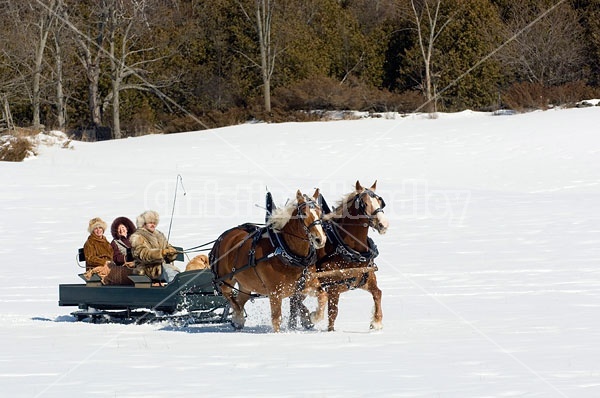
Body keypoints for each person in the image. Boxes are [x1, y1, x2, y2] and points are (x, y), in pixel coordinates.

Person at [130, 210, 180, 283]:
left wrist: (171, 253)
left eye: (154, 223)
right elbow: (143, 254)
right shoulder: (138, 237)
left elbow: (168, 247)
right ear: (144, 224)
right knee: (169, 270)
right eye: (150, 223)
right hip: (147, 269)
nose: (153, 225)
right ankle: (176, 288)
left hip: (162, 267)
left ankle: (179, 286)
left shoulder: (160, 235)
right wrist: (161, 253)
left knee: (172, 270)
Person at [83, 217, 133, 285]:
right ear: (92, 230)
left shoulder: (106, 242)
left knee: (129, 270)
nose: (98, 230)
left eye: (100, 228)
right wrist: (104, 262)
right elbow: (90, 258)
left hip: (110, 267)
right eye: (96, 228)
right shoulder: (90, 243)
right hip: (98, 269)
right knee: (124, 274)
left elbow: (114, 256)